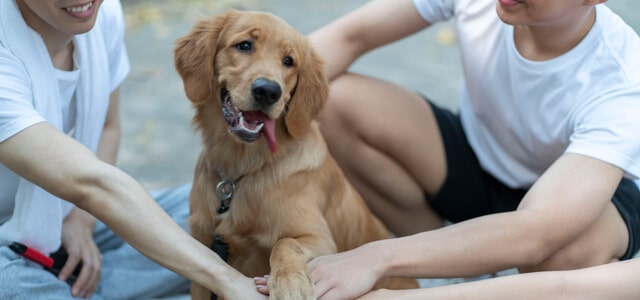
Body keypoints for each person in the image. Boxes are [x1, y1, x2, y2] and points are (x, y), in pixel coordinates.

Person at [295, 0, 640, 299]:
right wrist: (253, 102)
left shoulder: (621, 81)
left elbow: (538, 229)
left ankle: (481, 275)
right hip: (479, 154)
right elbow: (351, 36)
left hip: (579, 202)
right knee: (331, 101)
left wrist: (375, 257)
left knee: (560, 254)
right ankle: (447, 266)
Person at [0, 0, 266, 299]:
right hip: (8, 243)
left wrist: (82, 220)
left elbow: (107, 127)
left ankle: (78, 286)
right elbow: (93, 185)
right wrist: (228, 280)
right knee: (10, 286)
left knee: (237, 205)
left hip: (68, 214)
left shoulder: (102, 13)